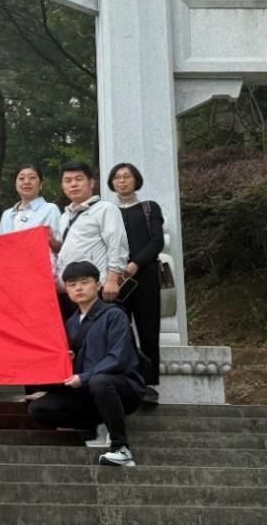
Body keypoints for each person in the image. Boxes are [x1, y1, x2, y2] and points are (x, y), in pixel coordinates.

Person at [28, 260, 145, 467]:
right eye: (72, 284)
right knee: (39, 408)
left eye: (84, 282)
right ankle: (99, 423)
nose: (78, 288)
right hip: (88, 390)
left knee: (100, 381)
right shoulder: (71, 323)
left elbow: (117, 358)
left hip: (121, 387)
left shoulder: (115, 315)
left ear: (98, 285)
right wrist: (55, 386)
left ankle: (121, 448)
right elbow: (71, 366)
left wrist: (84, 377)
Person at [0, 164, 63, 401]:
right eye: (21, 178)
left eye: (32, 178)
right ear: (15, 183)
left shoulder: (50, 209)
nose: (26, 182)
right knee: (23, 336)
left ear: (41, 183)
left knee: (43, 334)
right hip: (14, 282)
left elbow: (60, 245)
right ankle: (29, 389)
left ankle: (48, 389)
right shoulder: (8, 214)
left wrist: (49, 241)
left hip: (41, 280)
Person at [109, 162, 164, 405]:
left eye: (126, 176)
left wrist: (135, 264)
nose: (122, 181)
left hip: (145, 277)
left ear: (136, 180)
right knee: (122, 332)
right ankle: (129, 382)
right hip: (116, 280)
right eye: (117, 177)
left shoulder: (149, 208)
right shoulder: (108, 211)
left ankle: (149, 384)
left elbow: (156, 242)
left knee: (148, 331)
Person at [56, 160, 130, 319]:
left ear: (91, 183)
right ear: (63, 186)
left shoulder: (105, 209)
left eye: (79, 179)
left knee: (101, 331)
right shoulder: (64, 217)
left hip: (97, 289)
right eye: (68, 181)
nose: (73, 184)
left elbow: (117, 245)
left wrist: (112, 280)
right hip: (70, 291)